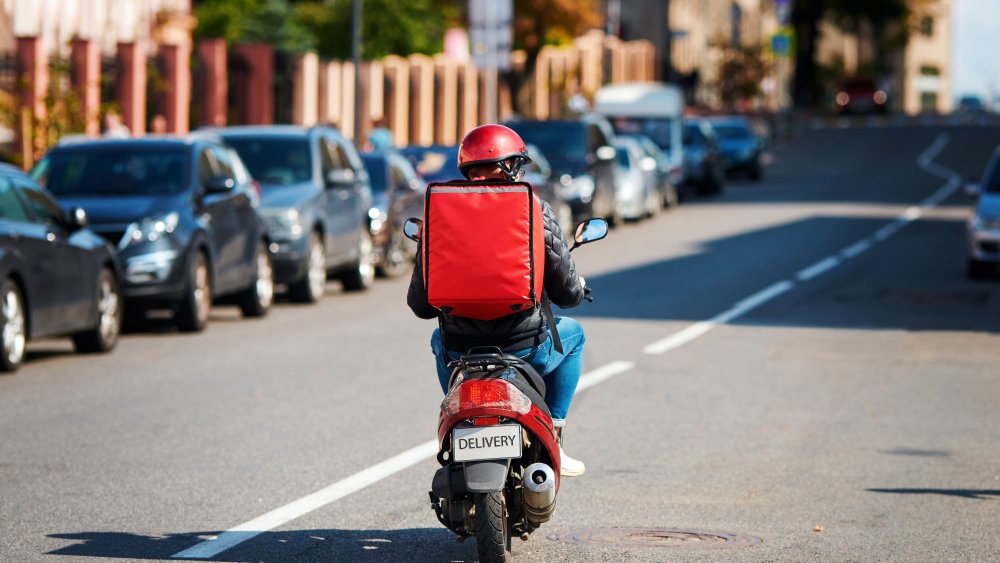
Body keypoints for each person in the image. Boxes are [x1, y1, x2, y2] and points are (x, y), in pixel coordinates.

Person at [407, 124, 589, 477]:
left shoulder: (437, 213)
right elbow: (567, 294)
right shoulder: (534, 208)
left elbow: (421, 305)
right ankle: (555, 433)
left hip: (461, 350)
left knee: (436, 338)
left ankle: (462, 415)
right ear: (510, 167)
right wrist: (578, 287)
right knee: (575, 334)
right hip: (524, 347)